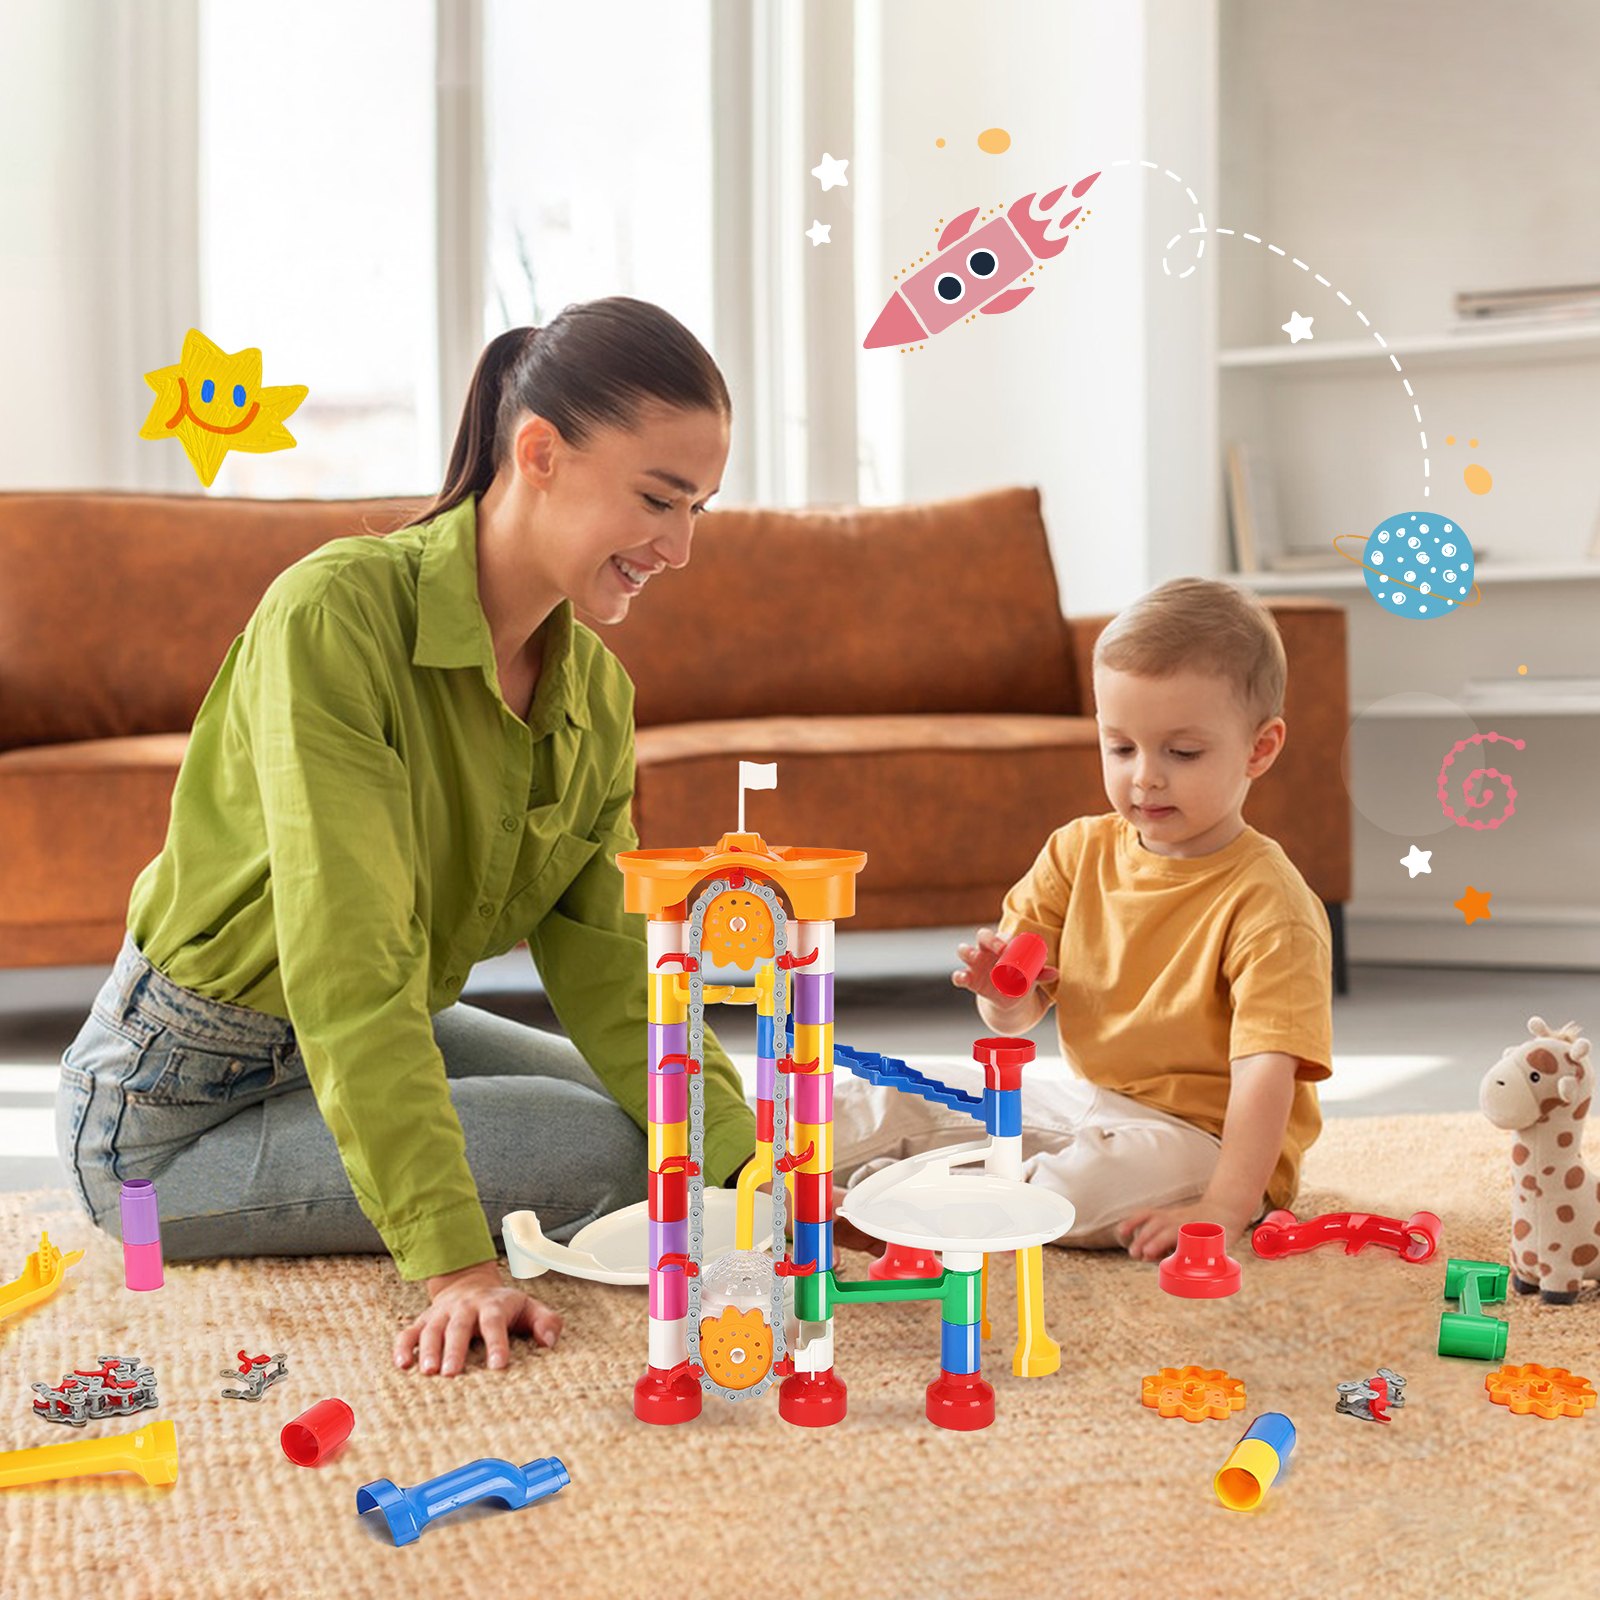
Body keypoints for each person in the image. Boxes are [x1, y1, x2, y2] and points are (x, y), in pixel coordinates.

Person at [55, 297, 756, 1376]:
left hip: (346, 1041)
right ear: (540, 454)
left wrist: (759, 1174)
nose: (682, 547)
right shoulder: (334, 616)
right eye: (660, 500)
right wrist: (454, 1264)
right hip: (168, 1118)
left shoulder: (595, 696)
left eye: (699, 507)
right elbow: (350, 958)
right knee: (614, 1149)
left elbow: (616, 968)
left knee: (674, 1126)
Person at [830, 577, 1333, 1264]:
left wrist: (1224, 1206)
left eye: (1181, 753)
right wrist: (1003, 995)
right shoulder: (1077, 851)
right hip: (1088, 1102)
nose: (1144, 778)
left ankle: (903, 1206)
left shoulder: (1272, 904)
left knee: (1095, 1182)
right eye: (1121, 747)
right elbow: (1014, 1019)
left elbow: (1265, 1079)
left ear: (1260, 748)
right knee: (893, 1092)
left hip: (1202, 1142)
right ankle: (782, 1165)